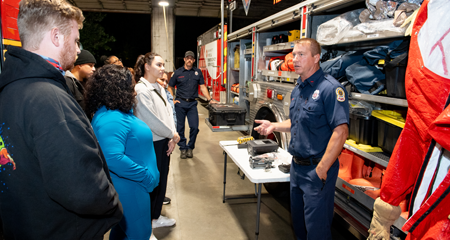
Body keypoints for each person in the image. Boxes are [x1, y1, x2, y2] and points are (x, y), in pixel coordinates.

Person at [0, 0, 123, 239]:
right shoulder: (49, 99)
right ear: (56, 37)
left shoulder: (9, 90)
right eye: (76, 40)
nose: (78, 50)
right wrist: (112, 204)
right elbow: (83, 188)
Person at [254, 38, 349, 240]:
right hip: (296, 169)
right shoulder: (299, 88)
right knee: (299, 226)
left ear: (316, 58)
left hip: (317, 171)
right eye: (294, 54)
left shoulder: (330, 89)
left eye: (301, 55)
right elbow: (297, 122)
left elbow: (341, 132)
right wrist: (274, 126)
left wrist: (321, 170)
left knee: (316, 232)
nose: (295, 59)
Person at [85, 65, 160, 240]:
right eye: (130, 85)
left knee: (123, 232)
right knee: (139, 234)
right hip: (131, 188)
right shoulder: (112, 118)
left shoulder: (114, 112)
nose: (133, 90)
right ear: (117, 88)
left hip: (131, 186)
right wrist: (145, 177)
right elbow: (112, 158)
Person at [134, 53, 180, 240]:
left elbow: (169, 112)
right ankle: (147, 228)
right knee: (151, 183)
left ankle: (155, 217)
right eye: (158, 64)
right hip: (152, 142)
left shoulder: (158, 87)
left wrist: (172, 136)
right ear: (146, 66)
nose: (163, 68)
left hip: (165, 140)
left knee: (162, 180)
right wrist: (173, 134)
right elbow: (151, 120)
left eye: (163, 64)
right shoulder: (141, 90)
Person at [168, 50, 217, 159]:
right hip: (180, 103)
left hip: (192, 104)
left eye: (191, 58)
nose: (189, 59)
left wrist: (209, 99)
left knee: (194, 127)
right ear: (184, 59)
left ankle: (190, 147)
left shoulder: (198, 72)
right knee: (180, 128)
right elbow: (170, 86)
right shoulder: (177, 73)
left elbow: (203, 87)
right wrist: (171, 100)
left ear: (194, 60)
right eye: (187, 57)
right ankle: (183, 148)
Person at [157, 72, 176, 205]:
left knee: (164, 170)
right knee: (158, 170)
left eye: (166, 81)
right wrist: (171, 134)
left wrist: (173, 135)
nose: (164, 83)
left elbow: (171, 115)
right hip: (158, 138)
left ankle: (160, 197)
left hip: (168, 137)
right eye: (161, 80)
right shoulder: (148, 94)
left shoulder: (167, 94)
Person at [64, 49, 96, 114]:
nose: (94, 69)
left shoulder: (88, 83)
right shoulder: (68, 83)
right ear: (79, 65)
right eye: (90, 65)